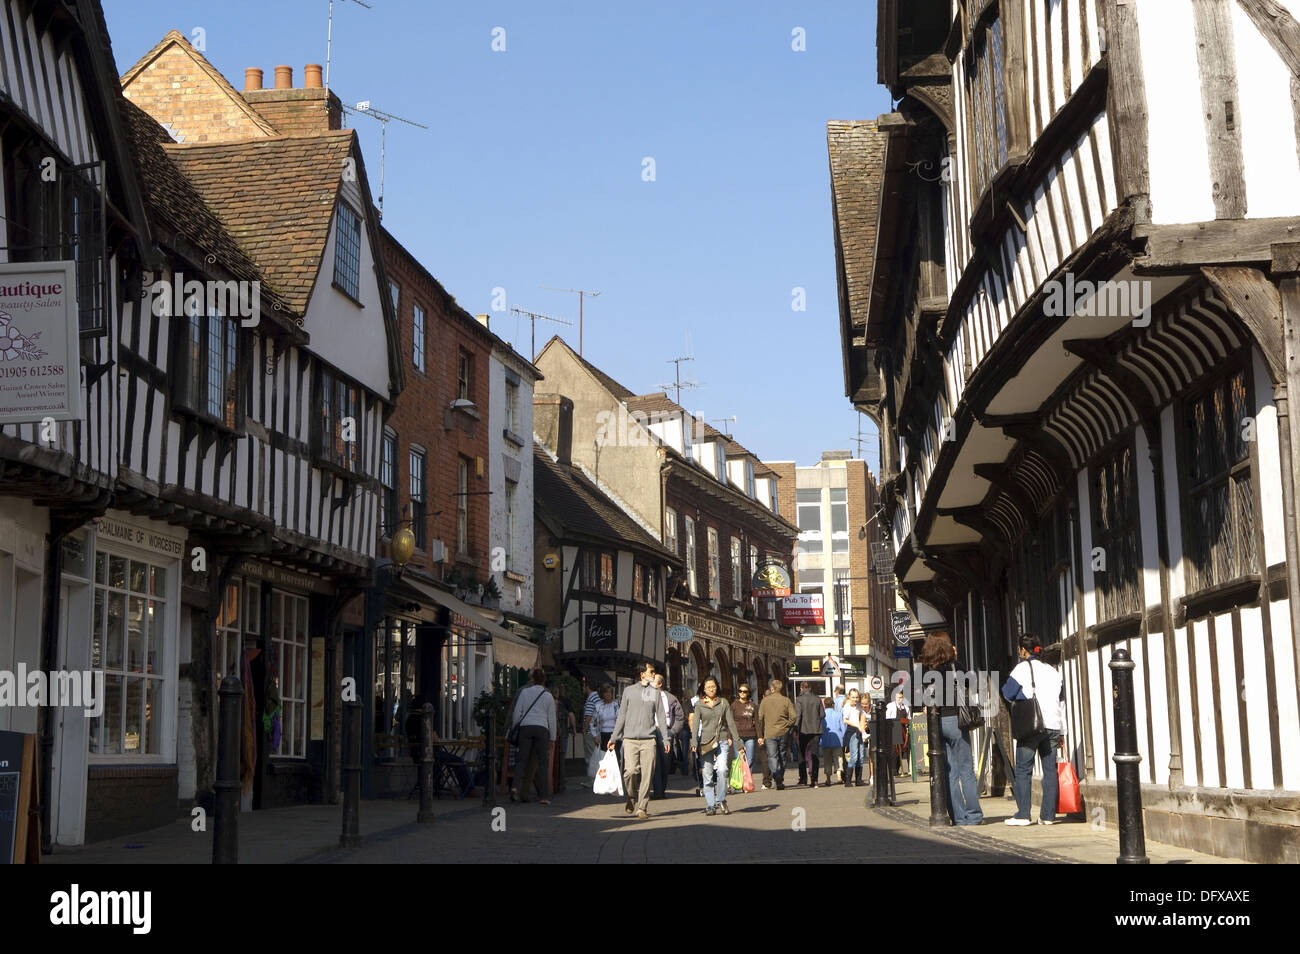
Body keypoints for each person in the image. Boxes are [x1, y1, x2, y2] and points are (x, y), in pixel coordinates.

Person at [1002, 633, 1067, 826]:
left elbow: (1007, 692)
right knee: (1050, 770)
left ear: (1023, 650)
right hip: (1054, 725)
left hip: (1032, 725)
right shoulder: (1053, 671)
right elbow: (1061, 702)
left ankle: (1023, 814)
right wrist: (1063, 730)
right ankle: (1048, 816)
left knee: (1023, 769)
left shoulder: (1022, 668)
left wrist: (1023, 696)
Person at [921, 632, 983, 826]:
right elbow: (971, 685)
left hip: (937, 724)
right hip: (958, 721)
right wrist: (955, 659)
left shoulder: (927, 670)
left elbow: (922, 697)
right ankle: (973, 816)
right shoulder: (956, 666)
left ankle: (957, 816)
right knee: (966, 770)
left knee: (949, 772)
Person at [609, 662, 671, 819]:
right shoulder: (629, 691)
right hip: (629, 739)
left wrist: (666, 739)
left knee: (647, 774)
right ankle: (631, 797)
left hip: (649, 740)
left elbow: (661, 717)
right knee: (630, 772)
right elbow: (621, 716)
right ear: (642, 674)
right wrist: (614, 737)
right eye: (651, 671)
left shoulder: (654, 693)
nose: (653, 674)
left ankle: (642, 807)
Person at [691, 676, 741, 815]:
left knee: (722, 770)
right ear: (703, 689)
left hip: (722, 740)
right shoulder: (699, 705)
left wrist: (738, 742)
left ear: (717, 687)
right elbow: (695, 726)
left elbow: (730, 723)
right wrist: (693, 742)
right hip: (706, 742)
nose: (711, 689)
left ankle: (721, 799)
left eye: (713, 686)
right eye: (708, 687)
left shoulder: (724, 703)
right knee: (707, 775)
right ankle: (710, 805)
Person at [509, 669, 556, 805]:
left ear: (532, 679)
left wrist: (515, 728)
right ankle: (544, 796)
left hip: (526, 728)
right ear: (544, 680)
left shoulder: (524, 692)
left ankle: (515, 787)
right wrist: (552, 737)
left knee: (521, 761)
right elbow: (551, 718)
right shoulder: (548, 696)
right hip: (542, 729)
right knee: (543, 763)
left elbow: (517, 713)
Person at [757, 678, 797, 790]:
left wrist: (760, 733)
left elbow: (759, 718)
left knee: (772, 756)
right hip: (783, 731)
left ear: (772, 688)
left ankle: (776, 774)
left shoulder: (765, 701)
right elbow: (793, 716)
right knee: (782, 755)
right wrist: (787, 725)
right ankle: (780, 778)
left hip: (769, 732)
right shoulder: (786, 700)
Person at [652, 674, 685, 799]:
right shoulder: (646, 697)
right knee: (654, 762)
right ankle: (657, 792)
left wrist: (672, 731)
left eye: (653, 682)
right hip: (651, 731)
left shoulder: (670, 698)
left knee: (665, 763)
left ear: (660, 684)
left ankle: (662, 787)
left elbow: (680, 717)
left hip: (665, 732)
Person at [730, 683, 759, 793]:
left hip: (751, 735)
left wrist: (760, 736)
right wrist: (729, 737)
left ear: (748, 693)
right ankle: (738, 784)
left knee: (750, 759)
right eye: (740, 691)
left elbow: (757, 721)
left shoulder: (753, 705)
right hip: (738, 736)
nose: (742, 693)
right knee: (739, 759)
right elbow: (730, 722)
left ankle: (747, 782)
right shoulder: (733, 705)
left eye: (744, 691)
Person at [795, 682, 824, 787]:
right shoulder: (817, 699)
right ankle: (814, 779)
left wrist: (795, 728)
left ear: (801, 688)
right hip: (816, 730)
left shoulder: (799, 699)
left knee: (801, 754)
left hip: (803, 730)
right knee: (814, 754)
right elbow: (822, 714)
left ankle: (803, 778)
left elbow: (798, 715)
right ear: (810, 688)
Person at [551, 684, 577, 793]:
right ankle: (561, 783)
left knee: (551, 758)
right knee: (561, 758)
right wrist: (574, 729)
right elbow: (571, 716)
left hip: (551, 734)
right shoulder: (565, 702)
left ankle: (551, 781)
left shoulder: (548, 701)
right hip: (563, 734)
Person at [841, 688, 869, 787]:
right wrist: (857, 725)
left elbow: (864, 715)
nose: (855, 699)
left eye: (857, 697)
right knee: (854, 756)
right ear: (849, 697)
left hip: (859, 732)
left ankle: (858, 780)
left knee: (861, 756)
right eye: (853, 697)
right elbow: (845, 720)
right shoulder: (847, 707)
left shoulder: (858, 706)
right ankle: (848, 780)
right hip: (852, 732)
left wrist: (864, 725)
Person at [819, 697, 844, 786]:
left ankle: (828, 779)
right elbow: (843, 728)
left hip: (825, 740)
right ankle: (839, 777)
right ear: (833, 704)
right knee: (838, 758)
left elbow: (820, 728)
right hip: (837, 739)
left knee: (827, 760)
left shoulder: (822, 716)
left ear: (824, 705)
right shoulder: (839, 714)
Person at [885, 689, 909, 777]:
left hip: (903, 731)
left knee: (902, 750)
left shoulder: (905, 707)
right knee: (894, 751)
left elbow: (908, 718)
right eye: (898, 697)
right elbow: (887, 718)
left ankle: (898, 769)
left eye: (901, 698)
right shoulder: (890, 706)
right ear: (895, 697)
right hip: (894, 729)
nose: (900, 699)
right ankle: (893, 770)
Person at [593, 684, 620, 756]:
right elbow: (593, 723)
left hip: (614, 734)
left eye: (609, 692)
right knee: (603, 757)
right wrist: (594, 736)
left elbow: (620, 720)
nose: (608, 694)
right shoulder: (598, 706)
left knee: (614, 757)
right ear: (602, 694)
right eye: (605, 692)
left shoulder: (616, 705)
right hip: (602, 735)